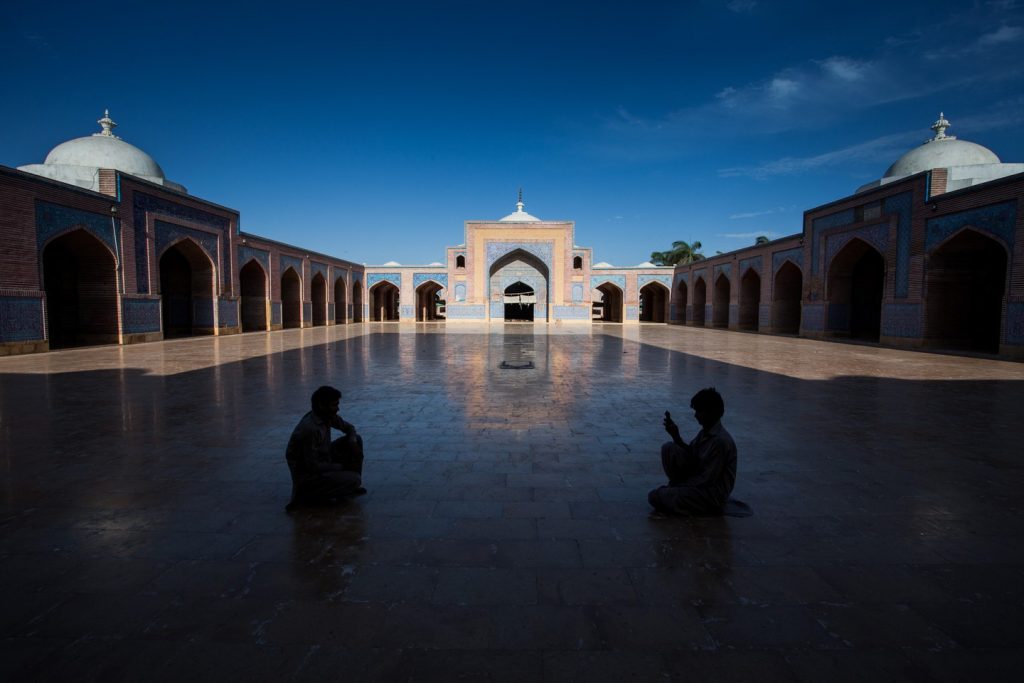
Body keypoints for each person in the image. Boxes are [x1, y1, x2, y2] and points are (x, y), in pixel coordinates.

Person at [648, 387, 737, 516]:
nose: (696, 415)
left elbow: (706, 479)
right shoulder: (705, 432)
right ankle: (679, 492)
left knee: (657, 497)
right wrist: (676, 437)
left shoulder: (720, 441)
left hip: (711, 494)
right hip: (699, 484)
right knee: (669, 448)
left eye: (699, 411)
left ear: (710, 412)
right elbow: (692, 455)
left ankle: (692, 502)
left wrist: (678, 487)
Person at [285, 385, 366, 511]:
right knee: (353, 479)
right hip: (309, 475)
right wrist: (341, 467)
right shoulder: (309, 429)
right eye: (334, 405)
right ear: (322, 406)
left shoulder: (326, 416)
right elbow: (312, 466)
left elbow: (349, 428)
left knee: (356, 440)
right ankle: (310, 493)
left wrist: (353, 443)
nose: (337, 409)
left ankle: (349, 483)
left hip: (323, 456)